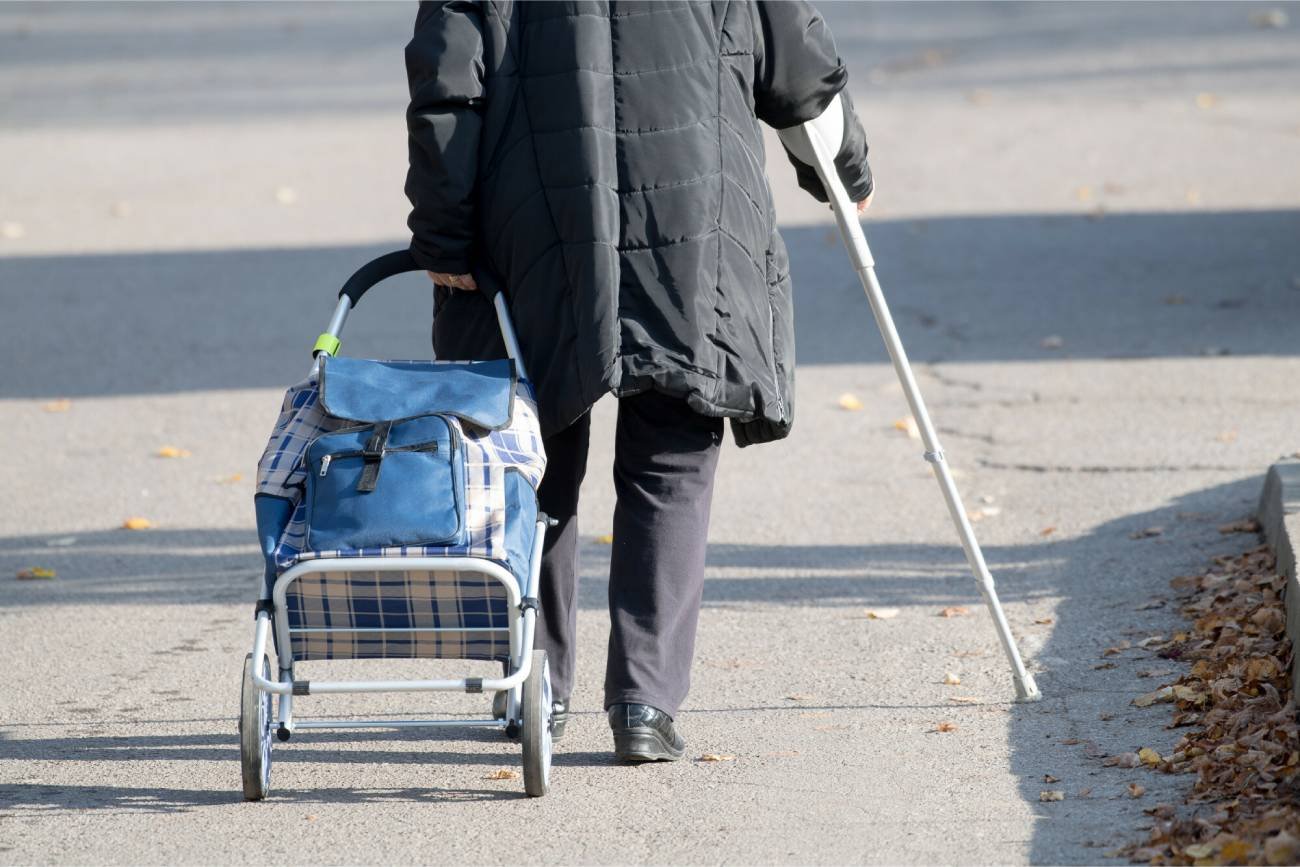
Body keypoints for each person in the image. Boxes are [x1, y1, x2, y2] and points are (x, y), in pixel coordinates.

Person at [404, 0, 872, 762]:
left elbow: (450, 79)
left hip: (538, 209)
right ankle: (645, 701)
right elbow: (799, 68)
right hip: (694, 202)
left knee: (532, 445)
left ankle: (536, 684)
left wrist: (444, 230)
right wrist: (843, 168)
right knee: (673, 449)